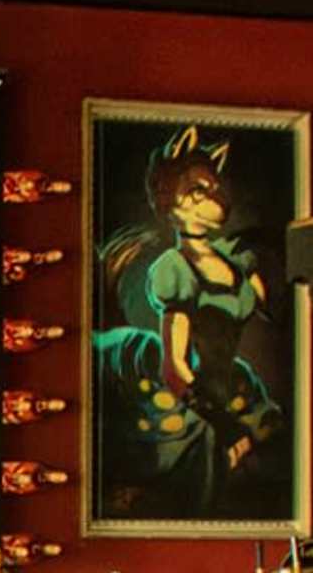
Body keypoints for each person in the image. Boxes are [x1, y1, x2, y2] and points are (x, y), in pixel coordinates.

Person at [91, 127, 290, 521]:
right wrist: (224, 425)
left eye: (213, 186)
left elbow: (280, 315)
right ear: (173, 201)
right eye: (198, 190)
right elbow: (175, 368)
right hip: (191, 405)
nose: (214, 197)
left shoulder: (238, 260)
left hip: (226, 390)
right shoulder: (175, 268)